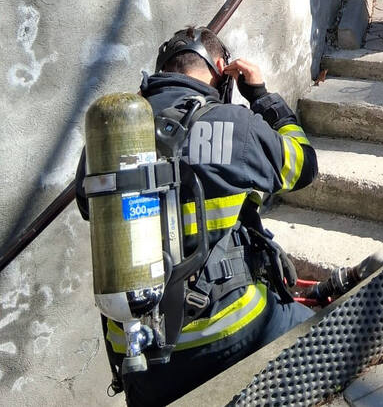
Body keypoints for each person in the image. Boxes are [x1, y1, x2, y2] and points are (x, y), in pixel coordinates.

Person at [75, 26, 317, 406]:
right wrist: (262, 96)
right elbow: (303, 167)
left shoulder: (108, 135)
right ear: (222, 68)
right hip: (231, 331)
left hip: (138, 354)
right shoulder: (235, 123)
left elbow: (88, 206)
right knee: (322, 340)